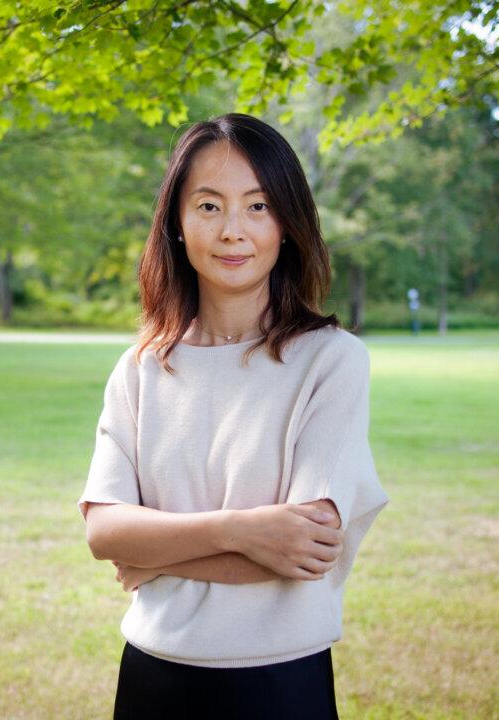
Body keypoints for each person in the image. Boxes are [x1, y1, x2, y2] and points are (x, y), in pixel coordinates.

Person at [77, 113, 389, 719]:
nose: (233, 233)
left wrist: (152, 554)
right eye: (209, 206)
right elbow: (104, 534)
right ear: (177, 224)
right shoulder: (140, 368)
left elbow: (306, 548)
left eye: (258, 206)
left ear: (288, 224)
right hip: (153, 675)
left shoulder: (332, 361)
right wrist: (238, 532)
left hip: (279, 682)